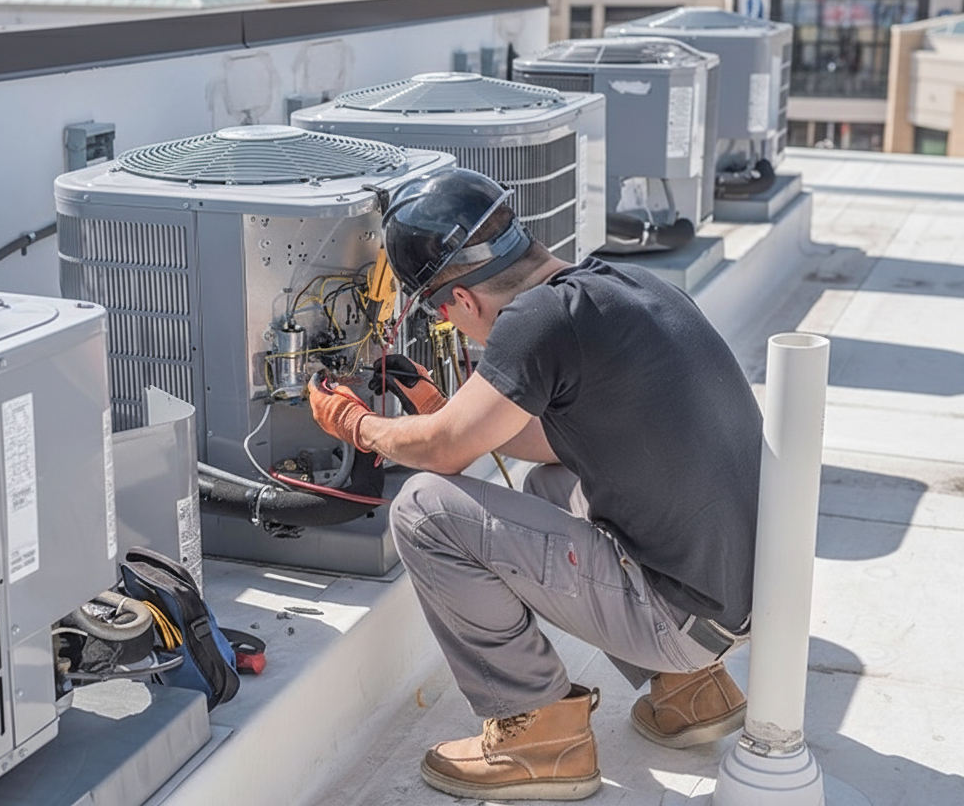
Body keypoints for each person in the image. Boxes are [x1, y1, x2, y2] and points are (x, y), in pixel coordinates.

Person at [308, 167, 761, 801]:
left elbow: (441, 456)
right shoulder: (620, 285)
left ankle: (539, 739)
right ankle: (693, 691)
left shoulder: (536, 323)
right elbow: (554, 438)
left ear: (459, 302)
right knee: (551, 483)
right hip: (736, 604)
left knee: (424, 512)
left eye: (443, 317)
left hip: (679, 620)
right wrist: (448, 410)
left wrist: (359, 425)